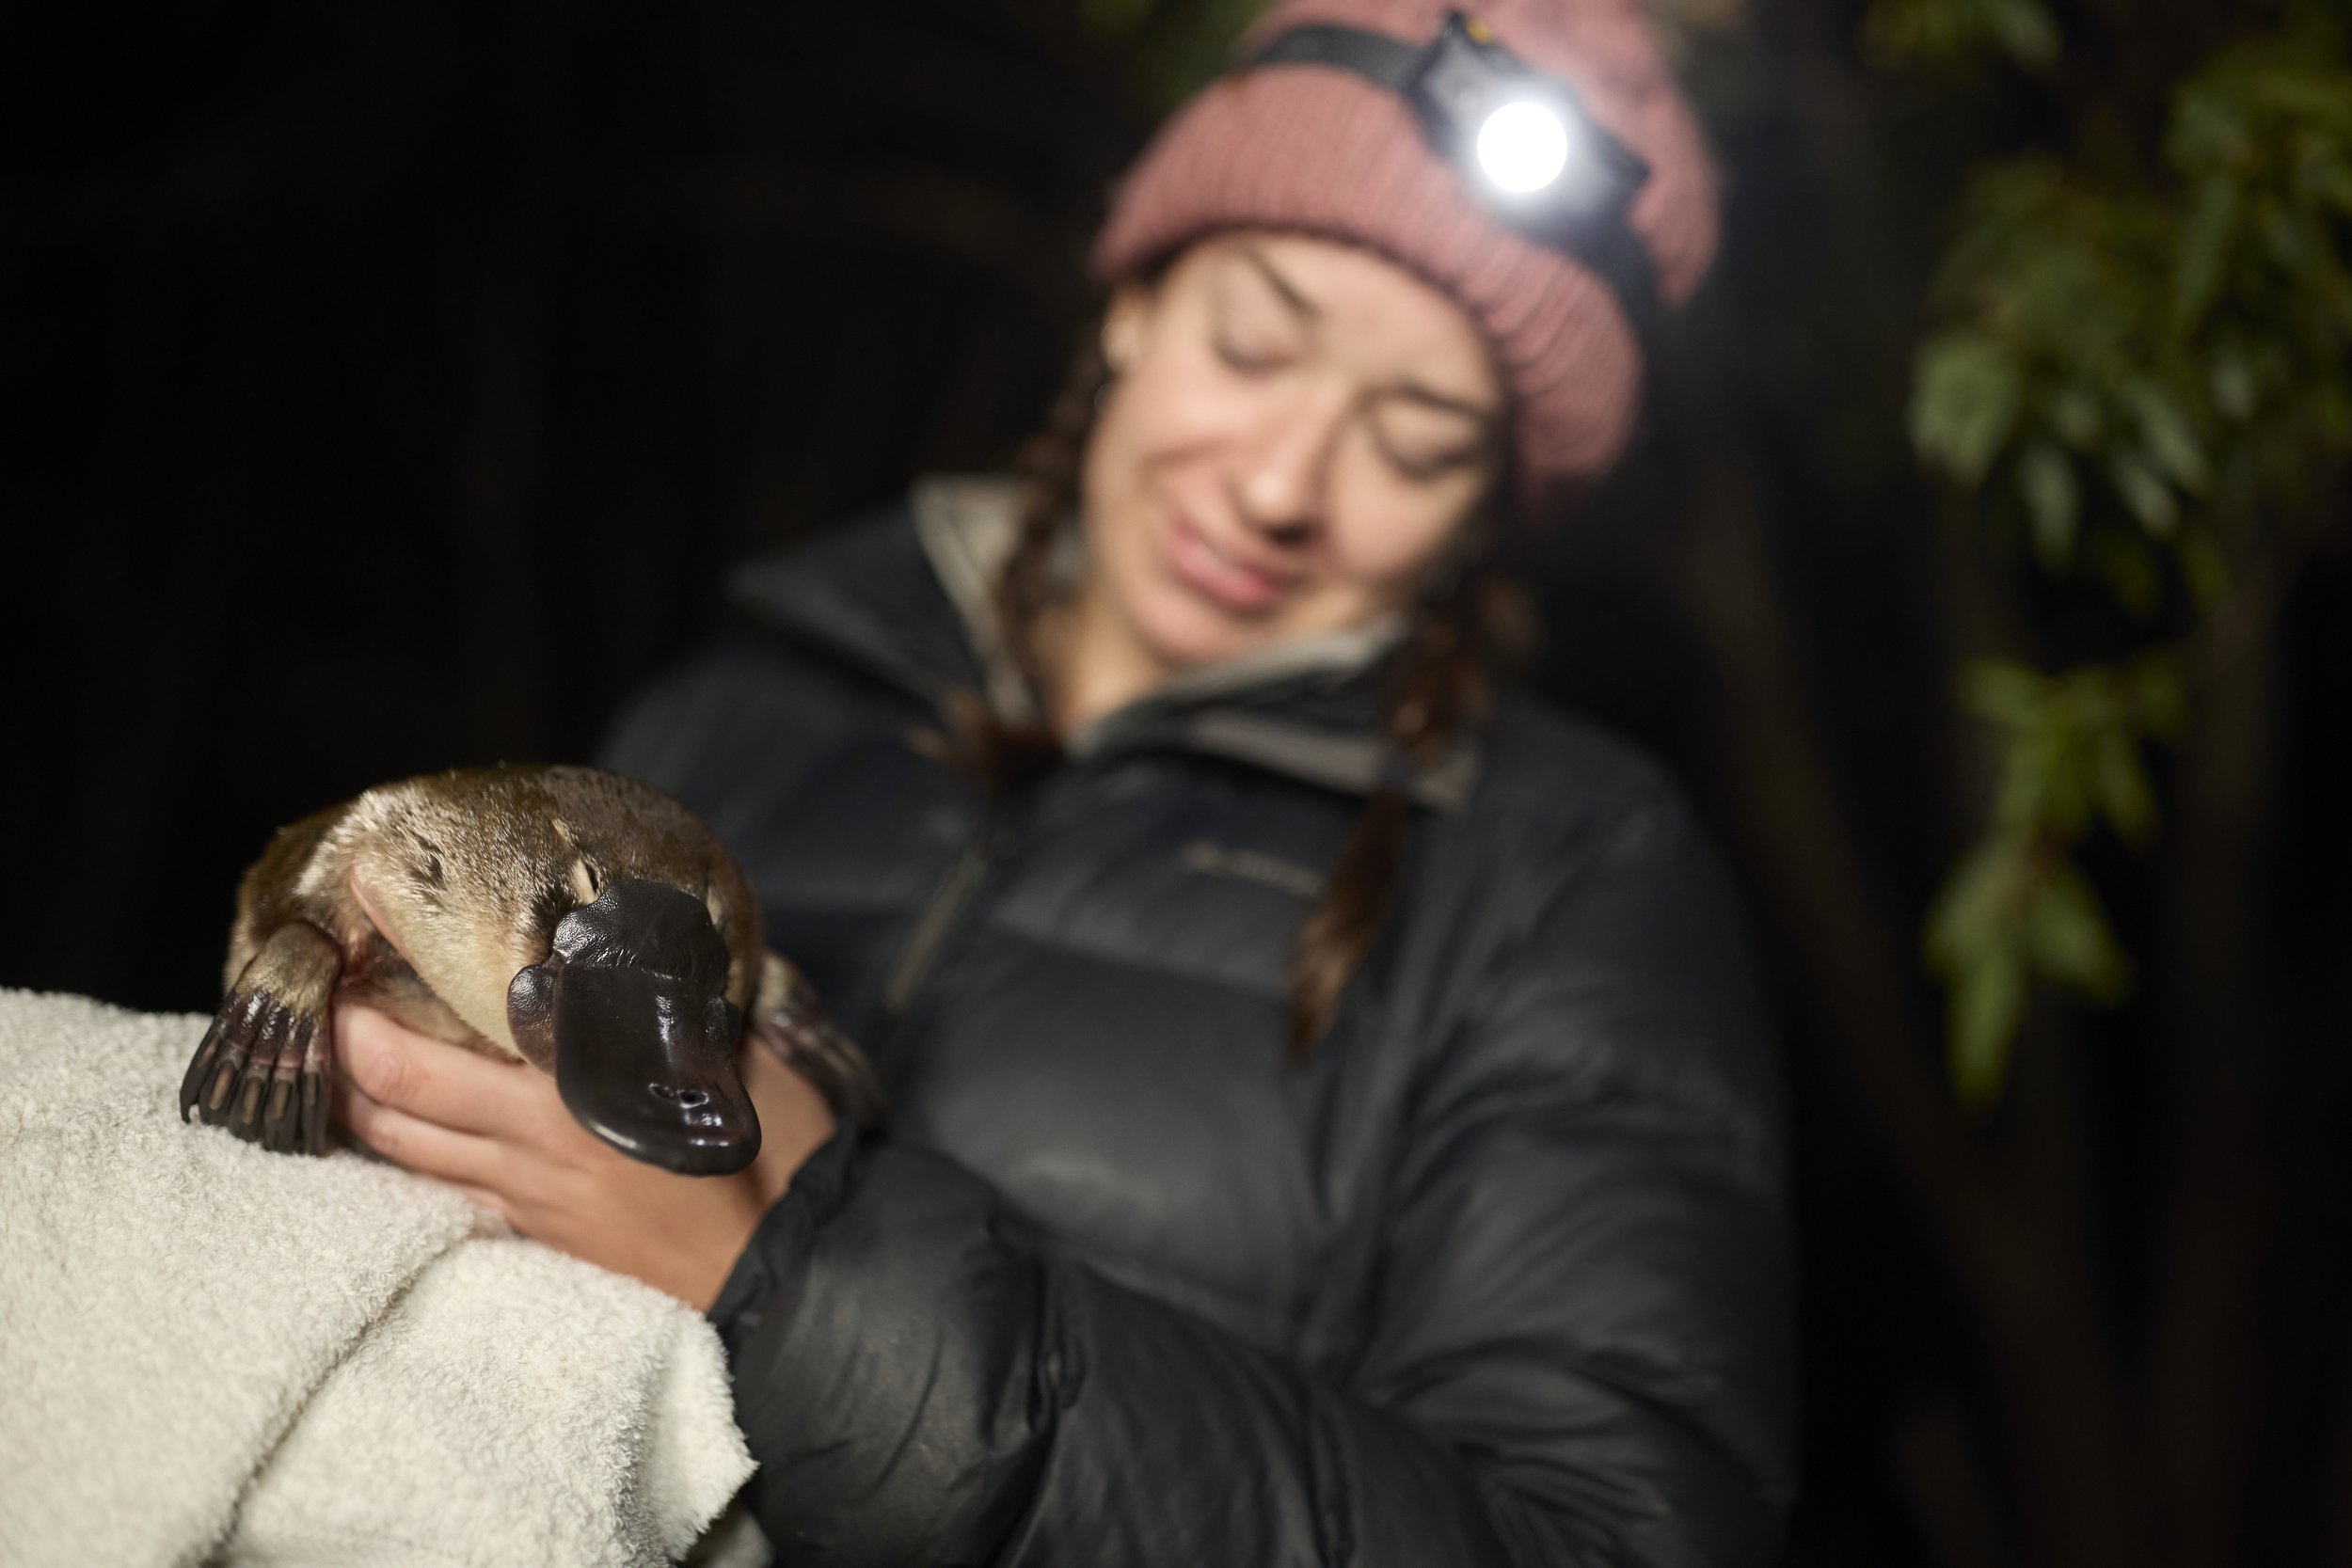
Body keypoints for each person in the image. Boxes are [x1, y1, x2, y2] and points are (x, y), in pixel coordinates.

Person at [331, 0, 1799, 1561]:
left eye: (1420, 437)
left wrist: (796, 1273)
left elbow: (1605, 1537)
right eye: (1256, 341)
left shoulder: (1571, 872)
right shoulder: (741, 710)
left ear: (1485, 512)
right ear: (1135, 302)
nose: (1281, 481)